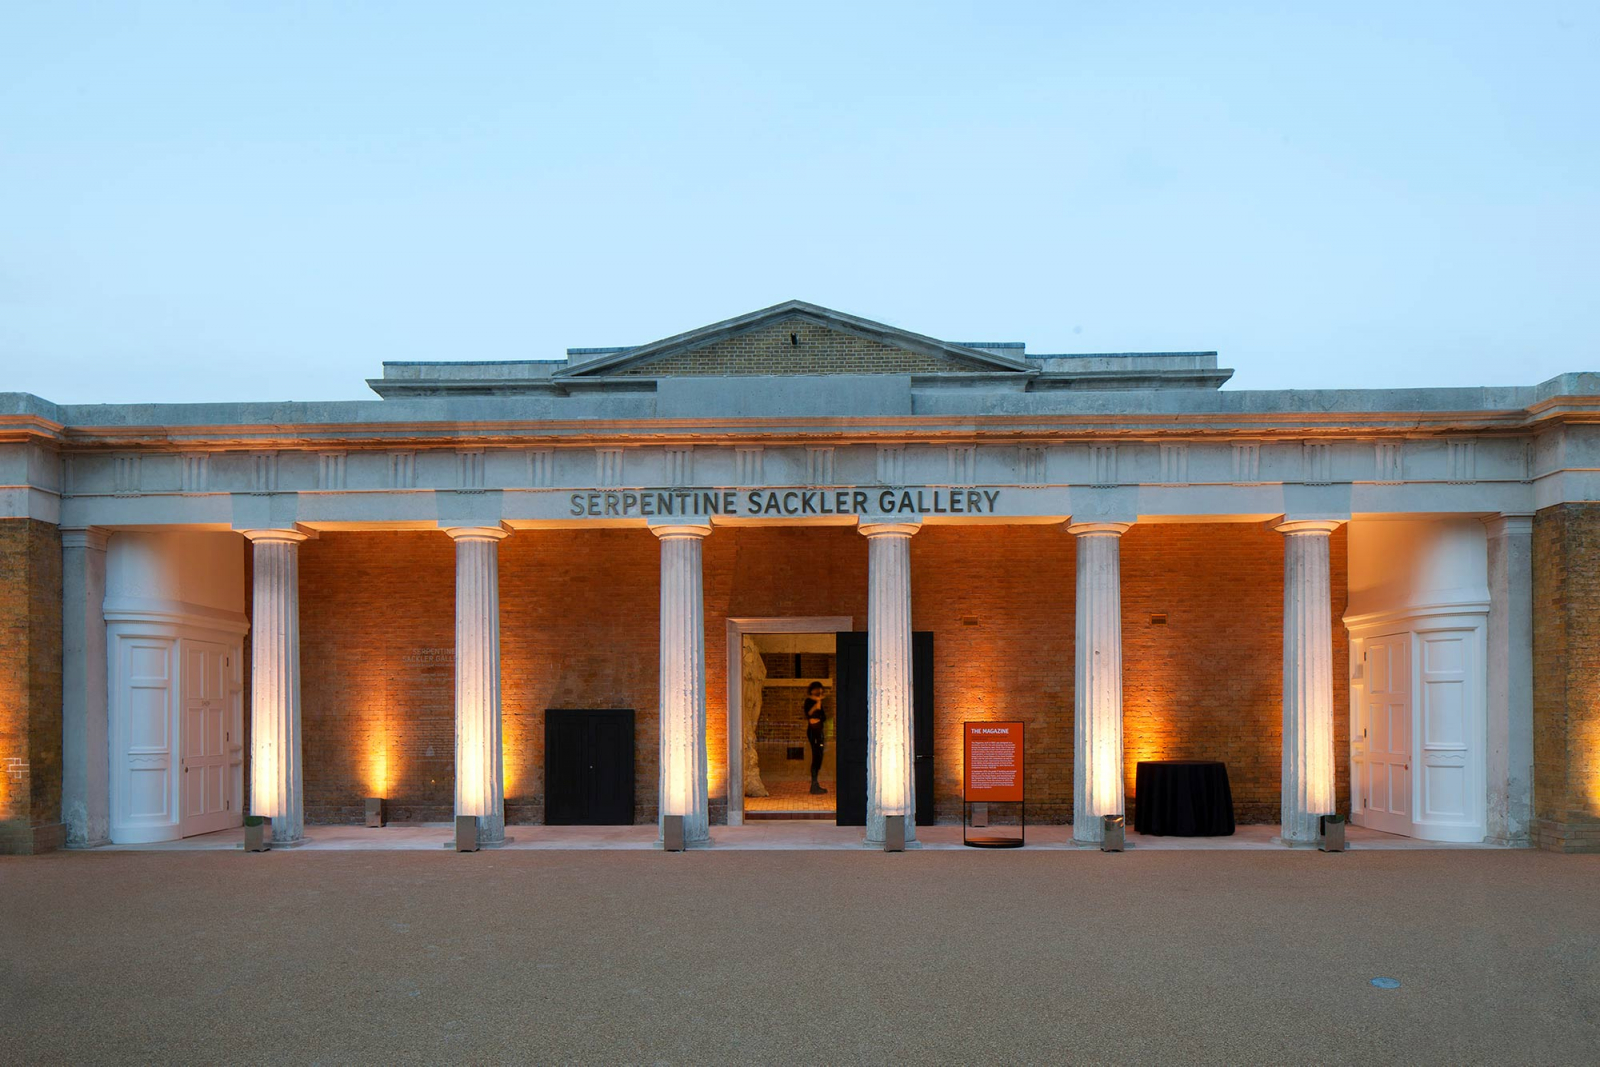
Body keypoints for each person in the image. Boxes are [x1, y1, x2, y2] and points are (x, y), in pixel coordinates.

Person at [803, 681, 827, 794]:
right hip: (813, 730)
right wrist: (817, 703)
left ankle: (815, 783)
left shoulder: (819, 702)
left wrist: (819, 702)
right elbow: (809, 714)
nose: (819, 692)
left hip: (819, 730)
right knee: (816, 754)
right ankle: (814, 783)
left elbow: (823, 717)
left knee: (819, 755)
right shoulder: (808, 701)